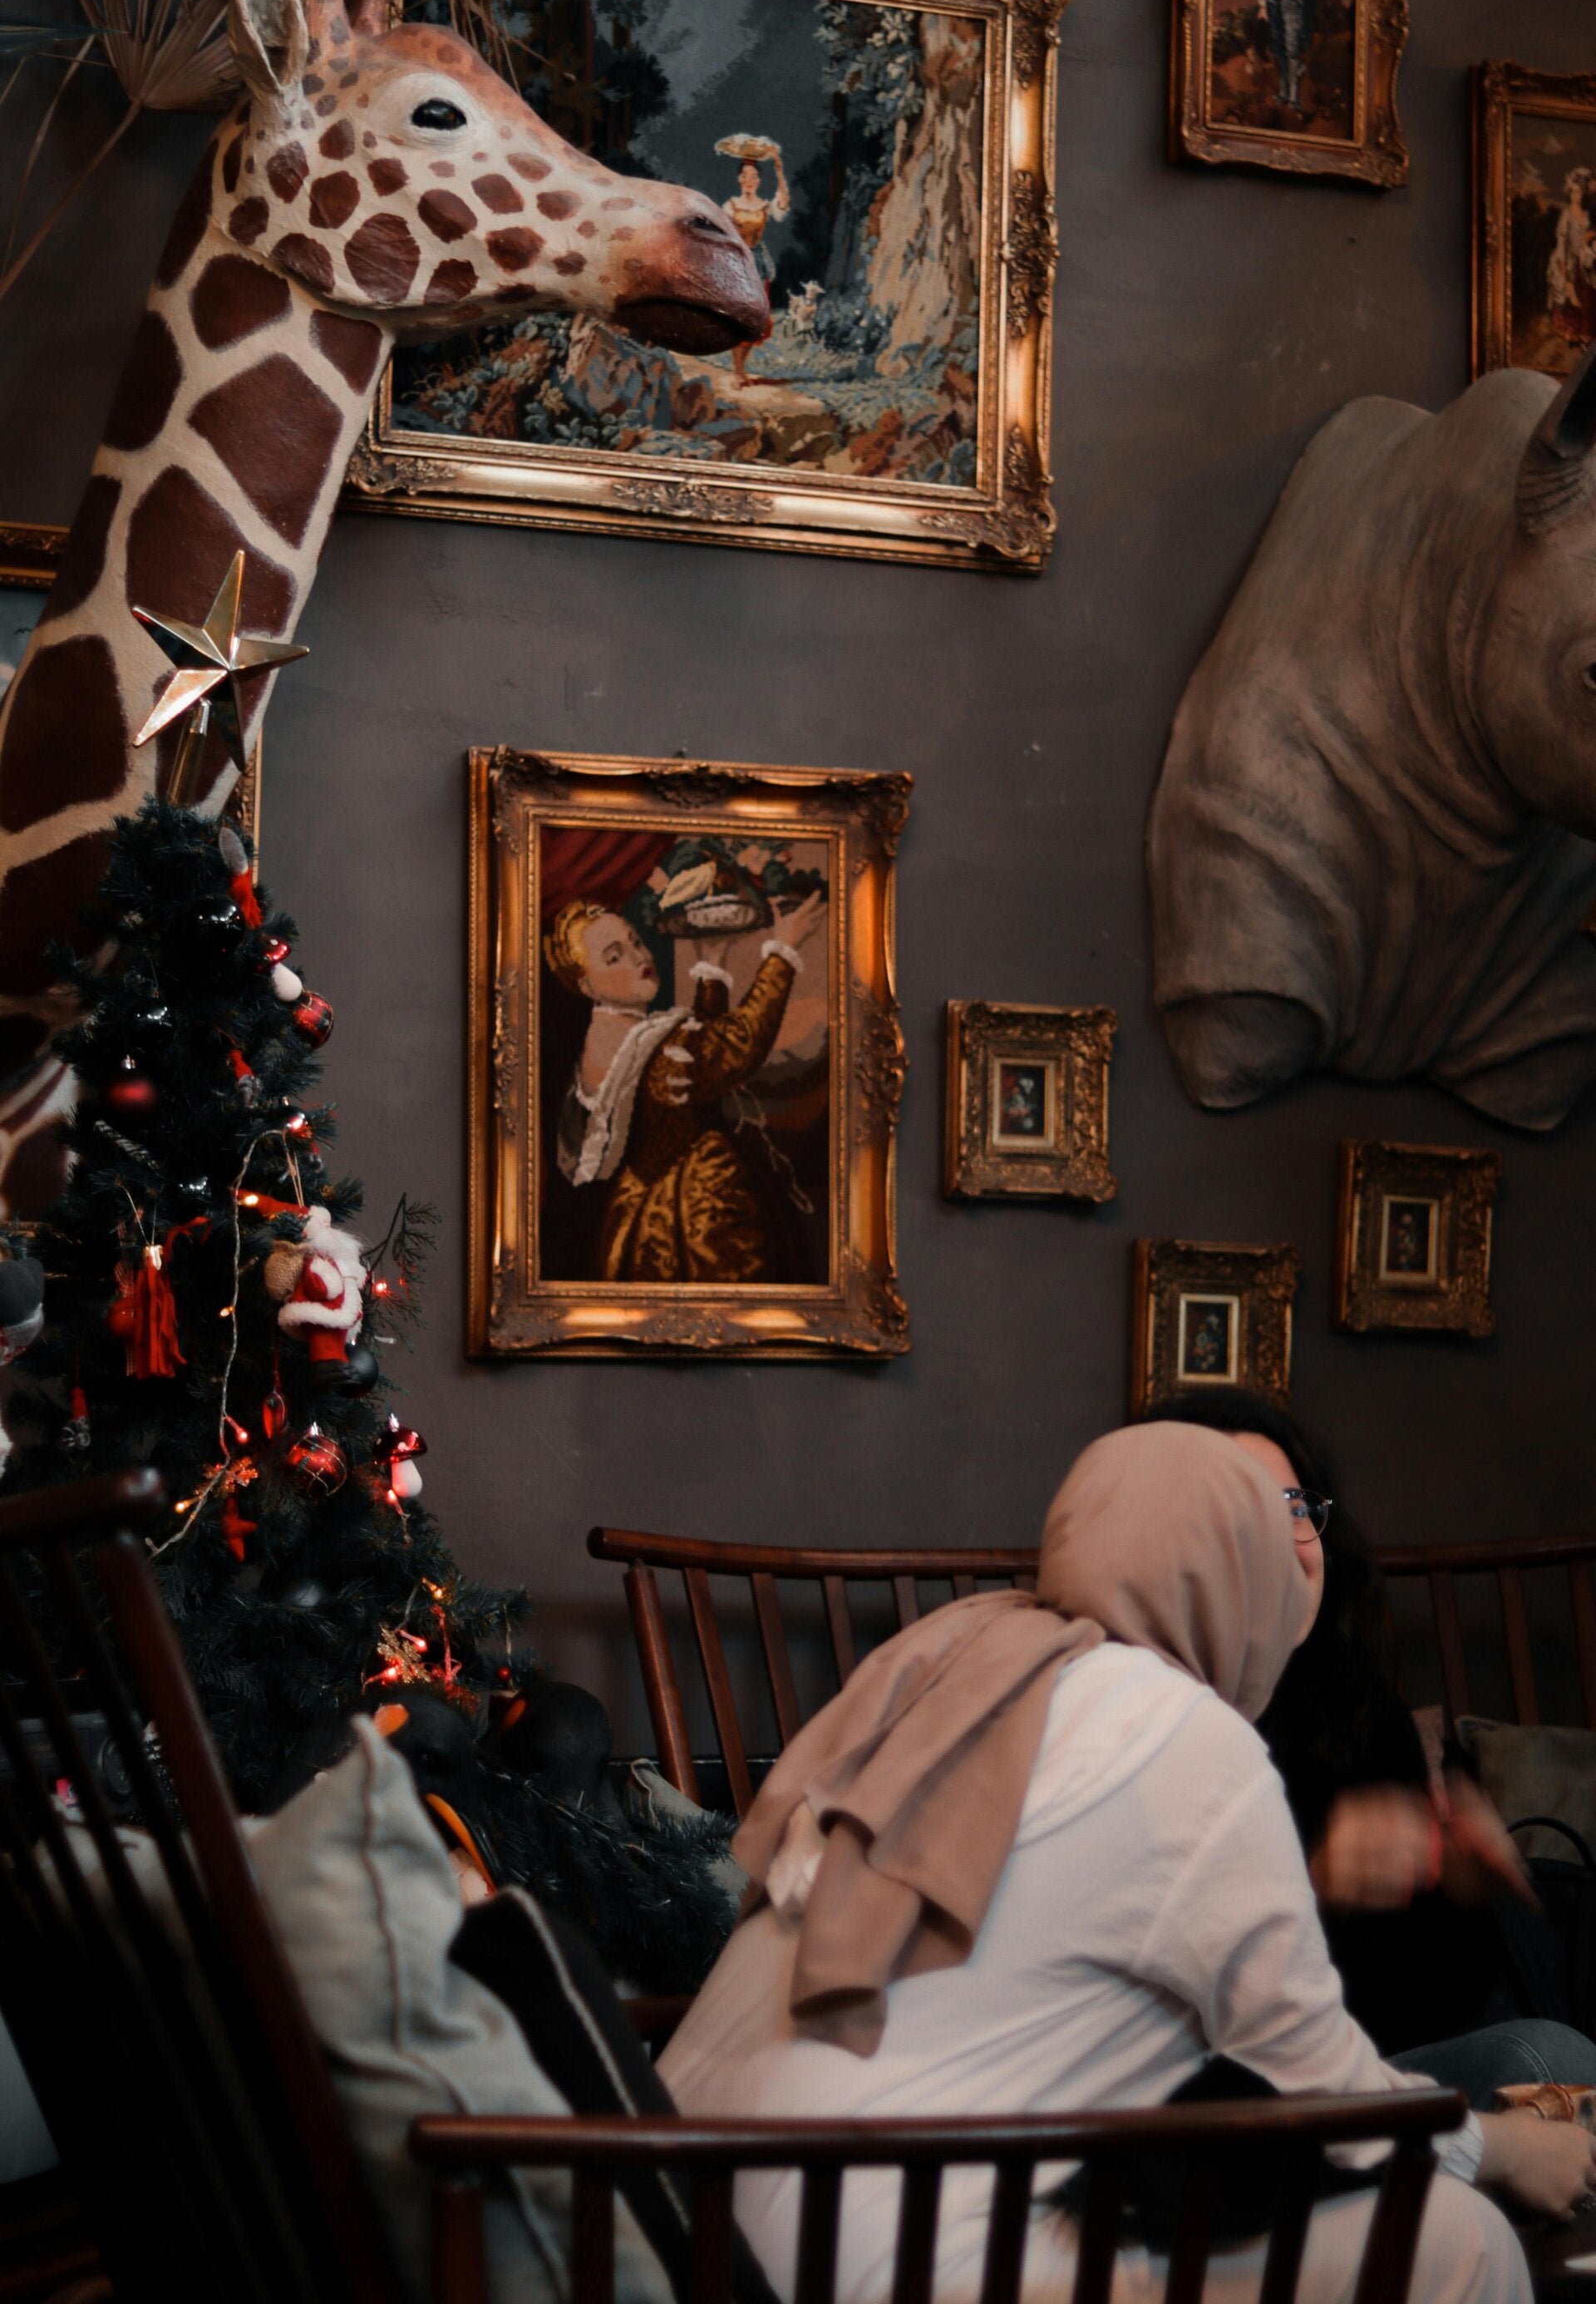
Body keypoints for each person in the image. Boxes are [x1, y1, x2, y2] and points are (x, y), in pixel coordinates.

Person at [663, 1423, 1590, 2304]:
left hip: (679, 2223)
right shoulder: (1183, 1733)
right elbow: (1327, 2091)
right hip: (889, 2257)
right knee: (1459, 2236)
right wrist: (1512, 2149)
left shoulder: (966, 1665)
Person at [1147, 1389, 1596, 2099]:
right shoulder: (1124, 1723)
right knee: (1547, 2057)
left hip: (1367, 2071)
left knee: (1546, 2055)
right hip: (1206, 2100)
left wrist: (1456, 1890)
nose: (1282, 1538)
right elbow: (1161, 2031)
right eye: (1239, 1509)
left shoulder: (1351, 1704)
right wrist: (1309, 1887)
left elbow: (1423, 2012)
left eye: (1294, 1506)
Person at [543, 887, 823, 1282]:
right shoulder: (649, 1047)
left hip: (643, 1206)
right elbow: (735, 1045)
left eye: (635, 942)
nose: (638, 957)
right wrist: (783, 950)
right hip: (697, 1215)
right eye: (614, 956)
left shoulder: (611, 1037)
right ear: (586, 985)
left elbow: (696, 1063)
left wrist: (712, 965)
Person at [722, 151, 789, 387]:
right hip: (737, 261)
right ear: (739, 179)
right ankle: (737, 372)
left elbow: (783, 203)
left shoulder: (764, 206)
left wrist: (779, 170)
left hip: (757, 262)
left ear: (759, 180)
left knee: (757, 318)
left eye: (753, 176)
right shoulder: (730, 206)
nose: (749, 180)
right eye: (745, 175)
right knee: (739, 316)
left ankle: (742, 370)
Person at [1548, 167, 1596, 345]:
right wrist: (1565, 270)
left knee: (1587, 295)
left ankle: (1586, 331)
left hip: (1583, 259)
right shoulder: (1566, 215)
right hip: (1567, 259)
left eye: (1580, 192)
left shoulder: (1587, 215)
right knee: (1571, 295)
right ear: (1569, 192)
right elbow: (1562, 242)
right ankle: (1570, 331)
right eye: (1574, 192)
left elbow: (1588, 237)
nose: (1577, 196)